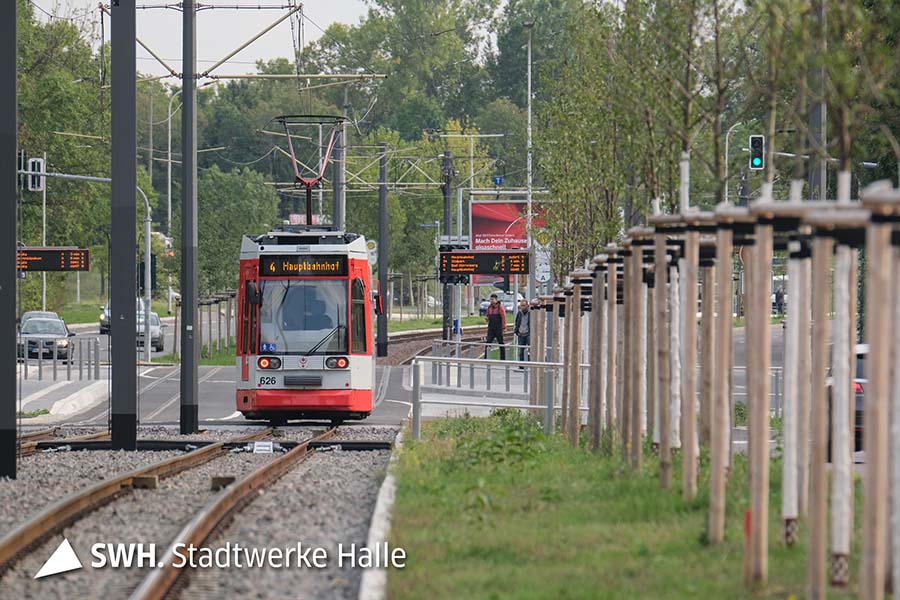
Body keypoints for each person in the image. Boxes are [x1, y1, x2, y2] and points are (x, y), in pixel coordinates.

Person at [483, 293, 507, 360]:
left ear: (496, 300)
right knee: (488, 342)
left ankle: (503, 358)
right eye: (490, 299)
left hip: (498, 328)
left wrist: (504, 327)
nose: (491, 301)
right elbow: (487, 315)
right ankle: (486, 357)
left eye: (492, 299)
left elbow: (503, 317)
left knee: (501, 342)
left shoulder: (500, 307)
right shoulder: (489, 307)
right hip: (491, 328)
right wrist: (487, 319)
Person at [513, 298, 530, 366]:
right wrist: (517, 331)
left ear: (527, 306)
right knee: (521, 350)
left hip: (528, 333)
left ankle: (529, 363)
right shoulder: (519, 313)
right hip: (521, 333)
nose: (522, 307)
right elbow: (517, 322)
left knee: (530, 349)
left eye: (523, 305)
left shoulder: (530, 313)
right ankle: (521, 365)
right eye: (521, 305)